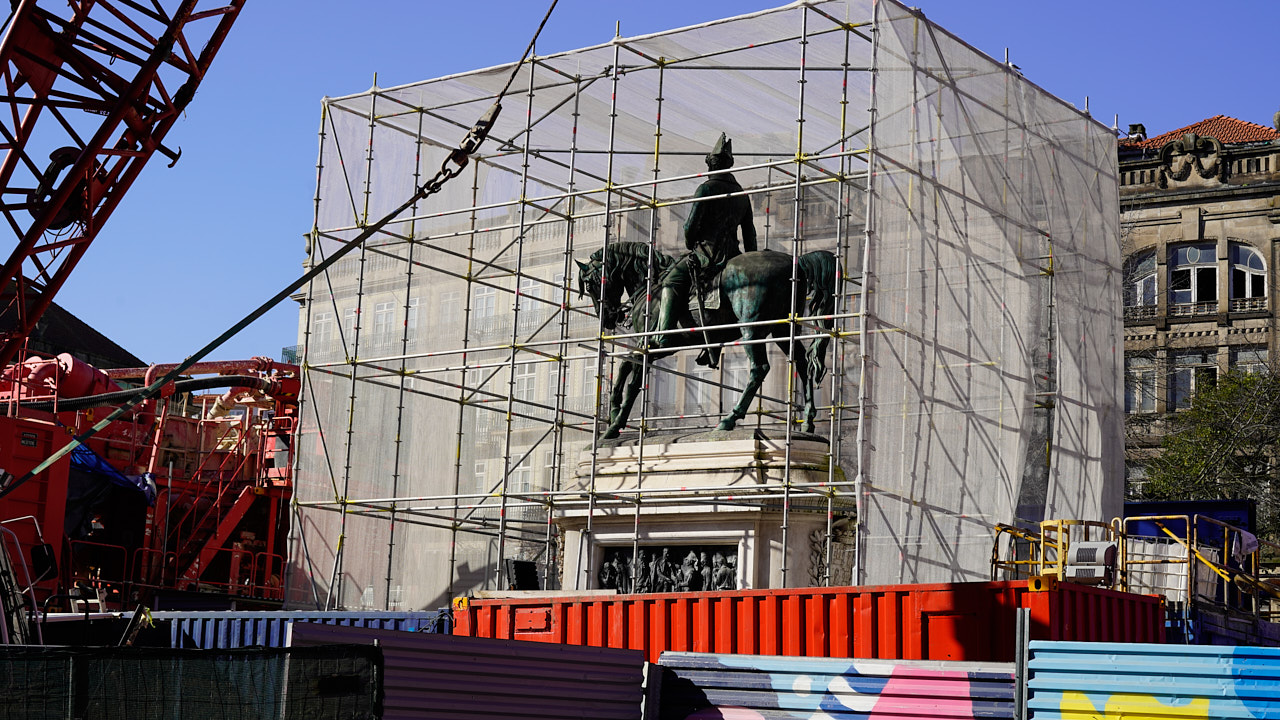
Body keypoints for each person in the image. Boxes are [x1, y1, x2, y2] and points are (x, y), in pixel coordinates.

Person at [652, 133, 757, 368]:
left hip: (706, 255)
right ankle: (713, 343)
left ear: (711, 164)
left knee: (670, 281)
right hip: (734, 256)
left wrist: (690, 244)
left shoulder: (706, 188)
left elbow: (691, 225)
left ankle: (664, 334)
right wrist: (750, 259)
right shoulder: (742, 195)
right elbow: (750, 234)